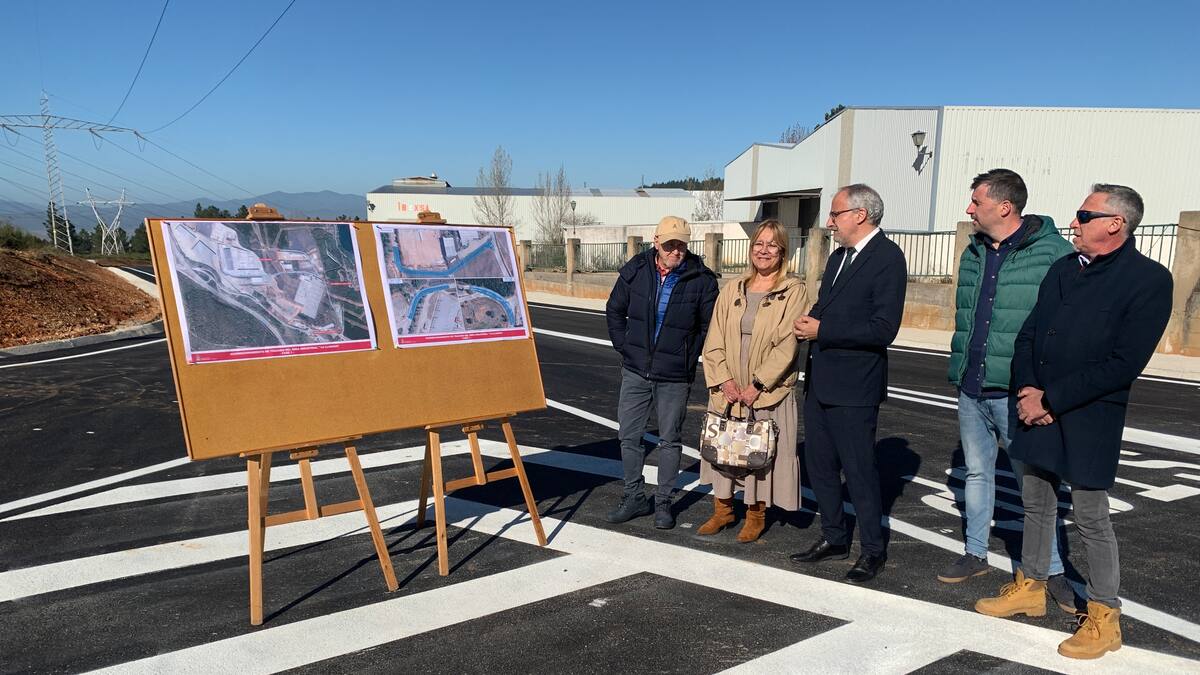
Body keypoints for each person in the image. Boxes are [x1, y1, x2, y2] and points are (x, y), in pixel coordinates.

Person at [975, 184, 1172, 660]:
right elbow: (1029, 334)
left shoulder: (1148, 279)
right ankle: (1031, 586)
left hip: (1088, 415)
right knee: (1036, 502)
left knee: (1090, 518)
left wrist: (1052, 399)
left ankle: (1105, 617)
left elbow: (1124, 362)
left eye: (1085, 214)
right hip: (1035, 407)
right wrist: (1025, 390)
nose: (1075, 221)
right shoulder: (1063, 268)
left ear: (1115, 224)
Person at [939, 169, 1076, 612]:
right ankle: (975, 553)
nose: (969, 209)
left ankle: (1051, 570)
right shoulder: (974, 252)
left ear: (1004, 206)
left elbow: (1062, 328)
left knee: (1034, 485)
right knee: (977, 474)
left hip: (1018, 391)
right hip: (971, 383)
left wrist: (1044, 390)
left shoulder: (1053, 253)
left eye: (975, 201)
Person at [790, 184, 907, 583]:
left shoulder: (887, 258)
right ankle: (834, 536)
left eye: (835, 214)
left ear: (860, 215)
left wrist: (823, 329)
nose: (829, 223)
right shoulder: (839, 257)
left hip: (856, 387)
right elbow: (825, 306)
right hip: (821, 380)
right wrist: (806, 321)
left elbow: (882, 328)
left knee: (858, 470)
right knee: (819, 465)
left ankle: (872, 550)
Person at [605, 215, 719, 529]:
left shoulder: (702, 279)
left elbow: (711, 327)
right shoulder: (636, 270)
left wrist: (690, 357)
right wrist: (624, 347)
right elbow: (614, 309)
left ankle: (664, 501)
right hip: (636, 369)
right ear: (656, 242)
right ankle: (634, 496)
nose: (675, 251)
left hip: (675, 374)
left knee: (670, 439)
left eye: (681, 244)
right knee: (628, 435)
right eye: (669, 244)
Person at [697, 220, 807, 542]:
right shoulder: (732, 288)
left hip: (766, 390)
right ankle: (722, 510)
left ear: (783, 251)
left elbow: (788, 343)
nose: (764, 250)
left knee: (760, 451)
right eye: (759, 243)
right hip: (730, 387)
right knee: (724, 447)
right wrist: (723, 380)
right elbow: (714, 337)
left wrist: (757, 385)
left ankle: (756, 514)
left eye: (772, 245)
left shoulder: (793, 291)